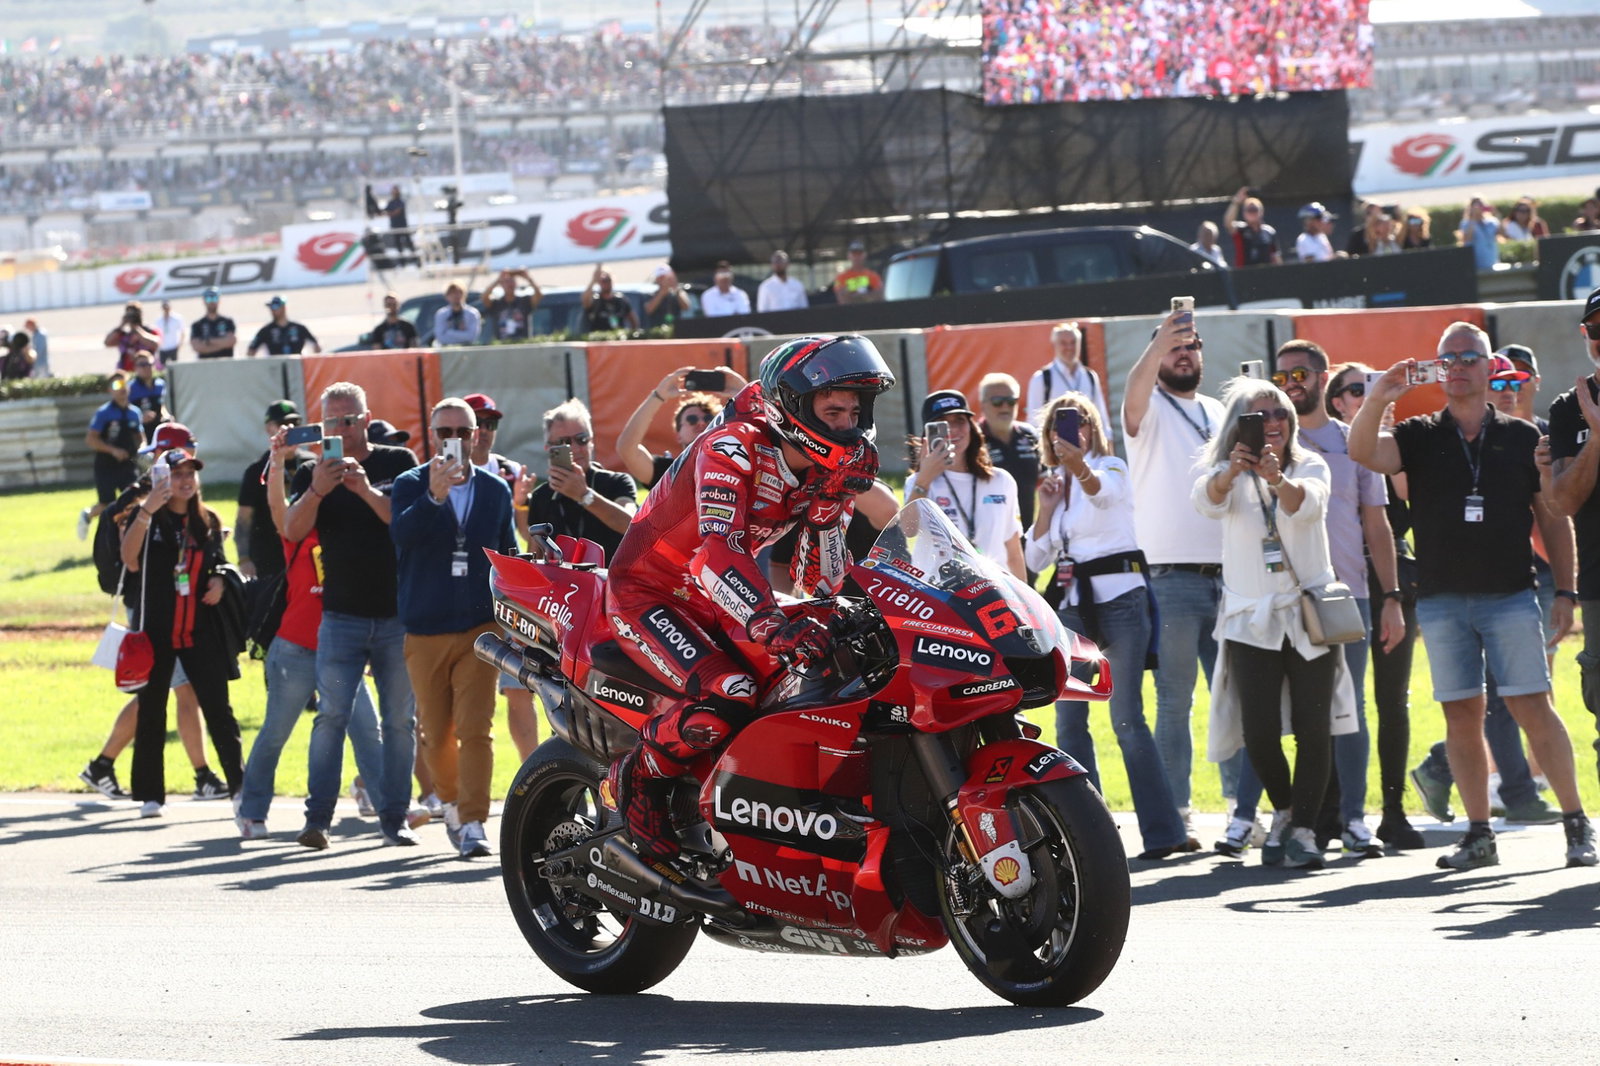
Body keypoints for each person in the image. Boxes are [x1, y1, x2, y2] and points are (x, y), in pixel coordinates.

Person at [604, 335, 893, 862]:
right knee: (731, 691)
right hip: (649, 592)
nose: (847, 423)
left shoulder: (825, 466)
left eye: (855, 410)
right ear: (794, 406)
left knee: (814, 680)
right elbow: (715, 554)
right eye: (833, 410)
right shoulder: (731, 447)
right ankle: (637, 778)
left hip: (718, 598)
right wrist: (769, 622)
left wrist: (830, 506)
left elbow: (819, 582)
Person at [1351, 321, 1595, 871]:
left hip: (1510, 593)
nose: (1458, 366)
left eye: (1468, 357)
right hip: (1440, 599)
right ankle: (1480, 834)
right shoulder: (1418, 432)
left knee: (1534, 706)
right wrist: (1380, 396)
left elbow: (1554, 520)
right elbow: (1363, 451)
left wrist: (1565, 588)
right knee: (1462, 714)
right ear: (1439, 370)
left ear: (1489, 368)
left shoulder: (1522, 436)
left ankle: (1577, 823)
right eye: (1448, 359)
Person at [1025, 391, 1187, 861]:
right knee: (1069, 721)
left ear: (1092, 429)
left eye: (1076, 424)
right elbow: (1036, 559)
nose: (1068, 434)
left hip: (1121, 603)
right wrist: (1045, 509)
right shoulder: (1054, 483)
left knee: (1127, 718)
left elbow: (1105, 494)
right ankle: (1090, 837)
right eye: (1058, 427)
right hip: (1073, 610)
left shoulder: (1110, 468)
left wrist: (1080, 468)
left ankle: (1163, 831)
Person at [1410, 348, 1565, 825]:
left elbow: (1553, 515)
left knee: (1529, 690)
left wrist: (1564, 582)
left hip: (1531, 576)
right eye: (1497, 381)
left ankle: (1448, 767)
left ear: (1533, 382)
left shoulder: (1533, 436)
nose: (1508, 390)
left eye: (1516, 381)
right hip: (1497, 580)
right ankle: (1512, 788)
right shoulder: (1459, 436)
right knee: (1500, 694)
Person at [1193, 378, 1338, 870]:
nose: (1272, 424)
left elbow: (1308, 505)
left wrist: (1278, 479)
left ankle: (1302, 831)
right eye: (1259, 417)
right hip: (1249, 620)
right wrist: (1233, 470)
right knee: (1258, 731)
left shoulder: (1310, 462)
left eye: (1279, 415)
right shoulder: (1222, 473)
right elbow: (1205, 502)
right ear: (1239, 425)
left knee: (1313, 728)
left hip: (1308, 614)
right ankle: (1286, 810)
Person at [1273, 341, 1409, 855]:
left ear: (1322, 377)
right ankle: (1292, 820)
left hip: (1345, 594)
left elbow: (1377, 524)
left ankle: (1355, 820)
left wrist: (1391, 596)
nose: (1292, 383)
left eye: (1302, 373)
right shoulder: (1272, 442)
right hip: (1282, 598)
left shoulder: (1355, 443)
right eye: (1283, 375)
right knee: (1287, 716)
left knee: (1349, 714)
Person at [1122, 309, 1250, 843]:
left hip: (1234, 575)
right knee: (1176, 702)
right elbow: (1132, 394)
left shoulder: (1220, 410)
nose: (1184, 353)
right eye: (1174, 346)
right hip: (1171, 577)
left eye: (1192, 346)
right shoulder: (1146, 406)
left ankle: (1243, 815)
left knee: (1238, 699)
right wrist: (1157, 342)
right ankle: (1177, 813)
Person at [283, 382, 419, 849]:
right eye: (330, 423)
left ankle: (395, 818)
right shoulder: (311, 471)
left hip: (396, 617)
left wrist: (362, 488)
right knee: (332, 715)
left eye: (347, 420)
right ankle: (317, 820)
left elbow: (406, 522)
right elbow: (293, 529)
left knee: (399, 721)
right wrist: (318, 490)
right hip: (340, 618)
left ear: (365, 418)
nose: (338, 430)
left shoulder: (397, 463)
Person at [234, 432, 385, 840]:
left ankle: (392, 810)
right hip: (297, 648)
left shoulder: (349, 533)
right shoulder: (296, 532)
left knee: (368, 730)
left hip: (343, 650)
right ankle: (251, 809)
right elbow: (276, 505)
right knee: (276, 731)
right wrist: (279, 460)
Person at [391, 398, 518, 858]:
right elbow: (402, 538)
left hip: (479, 628)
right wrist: (434, 497)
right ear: (432, 434)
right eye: (448, 432)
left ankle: (474, 822)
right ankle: (449, 803)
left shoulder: (495, 489)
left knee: (476, 728)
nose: (460, 440)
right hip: (424, 629)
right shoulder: (410, 484)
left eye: (466, 431)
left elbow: (507, 551)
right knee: (436, 732)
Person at [1325, 363, 1424, 849]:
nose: (1367, 396)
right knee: (1342, 703)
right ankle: (1339, 811)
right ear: (1337, 400)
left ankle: (1393, 809)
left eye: (1373, 389)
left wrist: (1383, 430)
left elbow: (1407, 494)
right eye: (1356, 390)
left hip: (1392, 579)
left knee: (1392, 701)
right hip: (1342, 581)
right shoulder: (1324, 447)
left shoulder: (1395, 445)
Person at [118, 448, 244, 818]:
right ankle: (151, 794)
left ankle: (240, 788)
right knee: (152, 709)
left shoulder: (207, 520)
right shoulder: (145, 517)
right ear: (161, 479)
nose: (186, 481)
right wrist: (146, 511)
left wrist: (220, 579)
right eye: (177, 474)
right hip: (156, 631)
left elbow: (220, 561)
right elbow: (129, 559)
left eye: (191, 473)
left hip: (199, 631)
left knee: (220, 711)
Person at [462, 391, 541, 759]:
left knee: (518, 687)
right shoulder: (439, 473)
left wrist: (521, 503)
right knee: (446, 705)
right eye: (476, 423)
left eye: (490, 423)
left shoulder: (511, 473)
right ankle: (434, 790)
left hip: (507, 600)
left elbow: (528, 541)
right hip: (459, 602)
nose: (483, 431)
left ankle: (534, 775)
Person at [1546, 287, 1600, 793]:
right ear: (1587, 336)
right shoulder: (1569, 410)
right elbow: (1562, 501)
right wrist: (1599, 436)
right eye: (1598, 327)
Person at [905, 389, 1026, 579]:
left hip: (994, 591)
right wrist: (924, 479)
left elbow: (1013, 551)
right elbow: (908, 530)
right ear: (928, 434)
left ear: (971, 427)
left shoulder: (1002, 481)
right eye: (943, 423)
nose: (953, 429)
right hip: (938, 595)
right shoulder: (918, 483)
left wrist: (1024, 603)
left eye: (959, 421)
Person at [524, 399, 639, 562]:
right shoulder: (542, 496)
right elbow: (534, 558)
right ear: (549, 448)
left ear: (592, 441)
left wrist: (584, 495)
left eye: (582, 439)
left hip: (610, 584)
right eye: (565, 443)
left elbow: (632, 525)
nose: (576, 448)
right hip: (563, 585)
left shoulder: (617, 482)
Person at [615, 366, 743, 489]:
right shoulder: (667, 472)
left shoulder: (739, 465)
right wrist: (658, 395)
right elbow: (627, 449)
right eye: (691, 419)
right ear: (678, 435)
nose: (701, 423)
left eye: (708, 419)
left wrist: (745, 390)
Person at [236, 400, 305, 581]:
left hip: (306, 556)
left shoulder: (311, 463)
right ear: (269, 428)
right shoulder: (256, 471)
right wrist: (244, 559)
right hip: (269, 560)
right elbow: (244, 519)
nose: (289, 429)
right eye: (282, 424)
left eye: (295, 423)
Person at [79, 372, 143, 538]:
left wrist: (143, 451)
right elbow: (91, 439)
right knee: (107, 503)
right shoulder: (104, 413)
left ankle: (128, 536)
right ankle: (87, 515)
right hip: (106, 464)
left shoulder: (134, 413)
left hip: (128, 464)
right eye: (117, 386)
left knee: (133, 501)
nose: (122, 389)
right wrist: (113, 450)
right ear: (110, 390)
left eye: (124, 384)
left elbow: (140, 437)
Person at [1026, 322, 1111, 441]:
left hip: (1088, 446)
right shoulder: (1041, 378)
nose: (1069, 348)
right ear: (1055, 345)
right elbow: (1034, 422)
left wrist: (1107, 443)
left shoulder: (1090, 376)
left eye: (1073, 342)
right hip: (1056, 446)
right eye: (1063, 343)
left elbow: (1101, 416)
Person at [978, 372, 1042, 529]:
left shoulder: (1030, 434)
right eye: (997, 402)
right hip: (987, 538)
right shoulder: (973, 439)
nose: (1005, 407)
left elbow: (1046, 483)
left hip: (1026, 534)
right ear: (983, 404)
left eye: (1011, 401)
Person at [1223, 188, 1281, 267]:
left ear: (1262, 212)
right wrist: (1236, 202)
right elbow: (1228, 223)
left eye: (1255, 209)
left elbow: (1276, 257)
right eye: (1249, 210)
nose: (1252, 212)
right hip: (1244, 274)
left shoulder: (1269, 232)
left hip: (1267, 274)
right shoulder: (1240, 230)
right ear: (1244, 213)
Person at [248, 296, 321, 356]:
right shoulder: (266, 330)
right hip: (275, 368)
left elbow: (317, 346)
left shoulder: (299, 328)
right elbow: (251, 351)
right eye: (271, 308)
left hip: (296, 367)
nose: (272, 311)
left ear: (283, 308)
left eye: (275, 307)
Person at [482, 267, 542, 341]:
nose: (510, 284)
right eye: (506, 281)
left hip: (522, 344)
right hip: (502, 346)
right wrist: (497, 280)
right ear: (501, 285)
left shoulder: (524, 301)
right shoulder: (496, 304)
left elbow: (539, 295)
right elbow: (484, 297)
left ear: (516, 284)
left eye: (512, 281)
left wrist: (528, 278)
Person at [104, 302, 160, 372]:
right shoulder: (123, 335)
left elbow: (155, 344)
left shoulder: (150, 331)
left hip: (146, 372)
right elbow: (107, 343)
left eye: (134, 315)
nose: (132, 317)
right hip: (126, 372)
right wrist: (121, 325)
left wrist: (137, 330)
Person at [581, 267, 639, 333]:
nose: (606, 283)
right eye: (603, 281)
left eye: (608, 280)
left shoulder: (621, 300)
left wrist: (629, 335)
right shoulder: (595, 300)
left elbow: (634, 321)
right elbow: (585, 300)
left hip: (618, 339)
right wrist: (593, 281)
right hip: (599, 339)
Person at [126, 353, 168, 444]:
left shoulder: (160, 385)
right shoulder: (130, 388)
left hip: (160, 432)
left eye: (149, 364)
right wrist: (140, 418)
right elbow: (124, 414)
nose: (146, 368)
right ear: (135, 368)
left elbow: (164, 405)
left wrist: (165, 415)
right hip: (141, 435)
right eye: (142, 365)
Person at [189, 288, 237, 359]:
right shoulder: (197, 325)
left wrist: (208, 341)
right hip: (205, 365)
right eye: (208, 299)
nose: (212, 302)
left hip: (226, 363)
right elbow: (197, 347)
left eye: (214, 298)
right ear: (204, 301)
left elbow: (231, 341)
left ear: (219, 300)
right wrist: (222, 343)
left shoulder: (228, 321)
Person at [1458, 197, 1503, 272]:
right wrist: (1473, 218)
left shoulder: (1492, 222)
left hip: (1493, 262)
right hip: (1476, 265)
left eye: (1481, 204)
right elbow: (1467, 239)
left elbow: (1502, 234)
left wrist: (1497, 214)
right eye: (1476, 205)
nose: (1479, 207)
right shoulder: (1466, 223)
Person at [432, 281, 483, 347]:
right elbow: (441, 338)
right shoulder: (441, 314)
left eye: (459, 292)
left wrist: (449, 332)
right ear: (447, 296)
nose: (456, 295)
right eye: (452, 293)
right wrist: (463, 335)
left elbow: (472, 336)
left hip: (468, 350)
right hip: (446, 350)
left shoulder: (472, 313)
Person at [832, 240, 884, 304]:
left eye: (859, 253)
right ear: (849, 256)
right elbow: (842, 299)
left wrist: (852, 295)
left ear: (865, 255)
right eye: (854, 254)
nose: (857, 257)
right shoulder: (841, 277)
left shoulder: (873, 275)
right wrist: (867, 296)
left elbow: (880, 296)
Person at [642, 264, 691, 331]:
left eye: (665, 277)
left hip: (677, 331)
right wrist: (662, 293)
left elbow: (686, 306)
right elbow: (649, 310)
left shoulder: (679, 292)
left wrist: (675, 288)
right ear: (657, 279)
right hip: (657, 332)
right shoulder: (651, 294)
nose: (663, 280)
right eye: (661, 277)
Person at [384, 184, 414, 255]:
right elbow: (385, 212)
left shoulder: (401, 202)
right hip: (395, 225)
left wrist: (390, 213)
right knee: (398, 244)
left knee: (408, 242)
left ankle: (415, 259)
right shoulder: (391, 203)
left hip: (402, 225)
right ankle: (402, 261)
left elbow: (397, 212)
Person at [153, 300, 185, 366]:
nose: (166, 309)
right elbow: (156, 334)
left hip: (173, 347)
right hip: (163, 348)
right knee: (162, 367)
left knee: (175, 367)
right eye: (164, 307)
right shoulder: (158, 321)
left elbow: (182, 332)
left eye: (167, 307)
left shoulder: (177, 318)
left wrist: (180, 344)